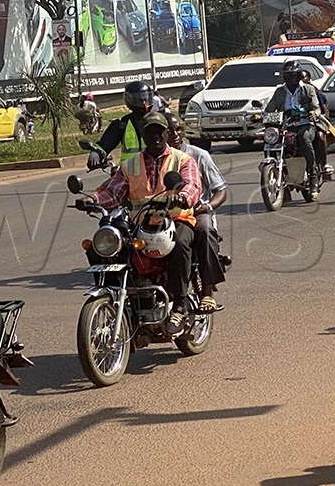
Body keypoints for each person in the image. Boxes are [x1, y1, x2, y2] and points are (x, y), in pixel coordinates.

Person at [76, 112, 202, 334]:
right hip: (139, 223)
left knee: (181, 244)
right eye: (150, 131)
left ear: (166, 133)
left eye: (159, 131)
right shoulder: (131, 165)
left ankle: (180, 304)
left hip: (176, 219)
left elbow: (192, 185)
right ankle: (116, 299)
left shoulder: (182, 160)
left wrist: (182, 196)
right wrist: (92, 199)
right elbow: (114, 193)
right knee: (105, 246)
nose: (155, 136)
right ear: (144, 135)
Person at [165, 113, 227, 314]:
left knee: (205, 229)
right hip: (164, 215)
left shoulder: (199, 155)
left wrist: (207, 206)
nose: (175, 134)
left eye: (178, 129)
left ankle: (208, 293)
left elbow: (221, 190)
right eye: (169, 130)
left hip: (195, 211)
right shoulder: (154, 158)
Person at [265, 60, 320, 182]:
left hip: (305, 125)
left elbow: (317, 107)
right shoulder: (279, 91)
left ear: (299, 75)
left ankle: (313, 173)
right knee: (270, 142)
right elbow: (269, 109)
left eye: (293, 74)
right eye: (287, 74)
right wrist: (261, 116)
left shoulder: (308, 89)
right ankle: (275, 171)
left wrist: (313, 113)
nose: (290, 77)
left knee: (304, 137)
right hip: (286, 127)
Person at [87, 80, 154, 168]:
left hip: (156, 171)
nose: (143, 103)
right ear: (130, 100)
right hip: (128, 175)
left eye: (146, 99)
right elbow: (105, 144)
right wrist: (96, 153)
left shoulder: (160, 121)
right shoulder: (122, 124)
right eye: (139, 100)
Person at [302, 69, 335, 178]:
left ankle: (324, 164)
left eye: (304, 78)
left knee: (320, 136)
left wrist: (319, 115)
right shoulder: (285, 91)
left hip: (313, 122)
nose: (301, 80)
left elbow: (323, 109)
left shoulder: (312, 91)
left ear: (309, 79)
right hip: (293, 123)